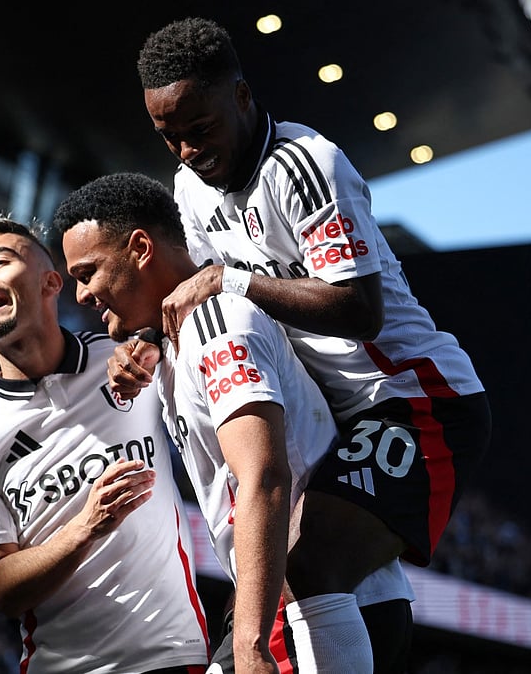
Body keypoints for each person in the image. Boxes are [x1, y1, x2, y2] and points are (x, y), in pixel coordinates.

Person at [117, 17, 495, 671]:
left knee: (307, 563)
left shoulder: (307, 165)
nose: (186, 150)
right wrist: (150, 342)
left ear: (241, 96)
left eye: (199, 128)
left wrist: (233, 278)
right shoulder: (189, 189)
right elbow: (206, 301)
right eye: (168, 136)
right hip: (330, 410)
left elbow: (361, 310)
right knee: (268, 586)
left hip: (415, 399)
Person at [56, 172, 416, 674]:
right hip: (297, 604)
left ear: (140, 248)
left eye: (87, 272)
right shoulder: (176, 339)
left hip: (324, 610)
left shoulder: (218, 324)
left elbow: (263, 477)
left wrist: (249, 644)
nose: (80, 295)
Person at [0, 217, 211, 674]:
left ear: (51, 283)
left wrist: (152, 340)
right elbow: (2, 588)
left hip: (173, 656)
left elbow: (186, 296)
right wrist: (86, 526)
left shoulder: (123, 356)